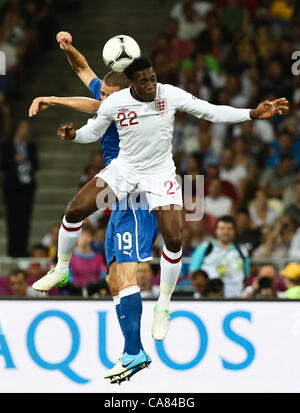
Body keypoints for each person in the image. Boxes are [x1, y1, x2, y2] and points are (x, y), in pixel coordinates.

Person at [31, 52, 287, 376]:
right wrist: (72, 136)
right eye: (144, 80)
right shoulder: (115, 102)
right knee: (74, 210)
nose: (151, 84)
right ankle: (62, 268)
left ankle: (163, 304)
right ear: (131, 85)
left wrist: (252, 113)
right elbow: (93, 131)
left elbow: (211, 111)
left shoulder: (169, 94)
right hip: (124, 170)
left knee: (175, 239)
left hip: (160, 174)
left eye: (152, 77)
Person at [29, 32, 156, 384]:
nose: (102, 97)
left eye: (107, 95)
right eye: (101, 92)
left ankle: (135, 350)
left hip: (134, 193)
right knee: (115, 279)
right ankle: (132, 350)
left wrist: (53, 99)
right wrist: (69, 49)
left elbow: (94, 106)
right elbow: (84, 69)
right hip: (117, 193)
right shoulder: (108, 91)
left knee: (79, 216)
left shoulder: (132, 103)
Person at [1, 120, 39, 257]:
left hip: (27, 186)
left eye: (27, 129)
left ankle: (22, 249)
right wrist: (14, 160)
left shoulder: (31, 145)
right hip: (12, 186)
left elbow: (36, 163)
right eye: (23, 128)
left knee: (25, 218)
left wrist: (31, 166)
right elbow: (3, 164)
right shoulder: (8, 145)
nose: (25, 132)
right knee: (13, 218)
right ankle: (12, 250)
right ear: (17, 130)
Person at [190, 215, 250, 297]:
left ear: (235, 231)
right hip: (207, 299)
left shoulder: (242, 251)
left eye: (229, 229)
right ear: (215, 230)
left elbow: (246, 276)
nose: (225, 232)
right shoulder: (204, 248)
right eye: (222, 228)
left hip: (235, 299)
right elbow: (193, 274)